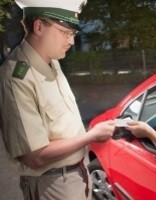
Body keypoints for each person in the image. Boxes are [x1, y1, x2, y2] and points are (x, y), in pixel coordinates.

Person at [0, 0, 116, 199]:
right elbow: (35, 157)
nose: (71, 41)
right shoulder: (16, 76)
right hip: (53, 185)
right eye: (65, 32)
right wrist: (92, 135)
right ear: (38, 26)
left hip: (78, 173)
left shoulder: (52, 61)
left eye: (73, 34)